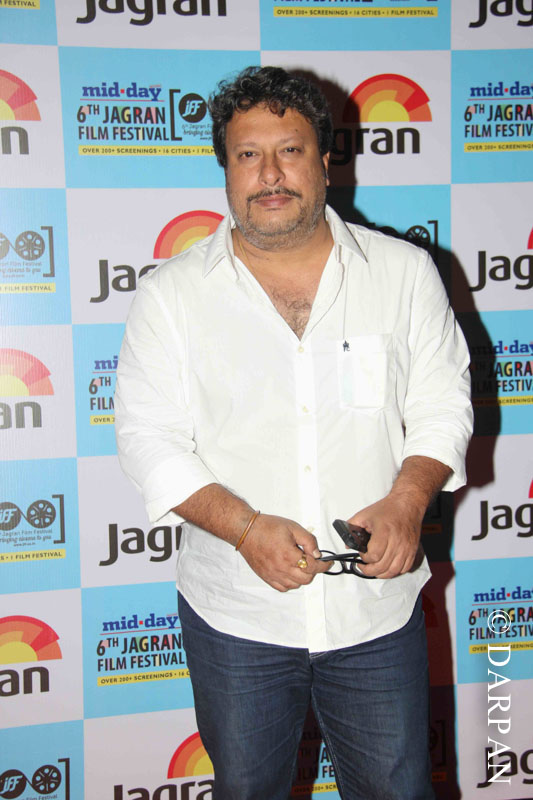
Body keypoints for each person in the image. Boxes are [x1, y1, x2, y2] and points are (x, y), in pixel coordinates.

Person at [115, 66, 472, 800]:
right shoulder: (170, 296)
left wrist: (408, 502)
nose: (270, 174)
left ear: (325, 160)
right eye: (248, 154)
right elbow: (148, 440)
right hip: (236, 617)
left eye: (289, 150)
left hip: (374, 614)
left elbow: (442, 403)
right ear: (225, 169)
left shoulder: (404, 274)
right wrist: (245, 530)